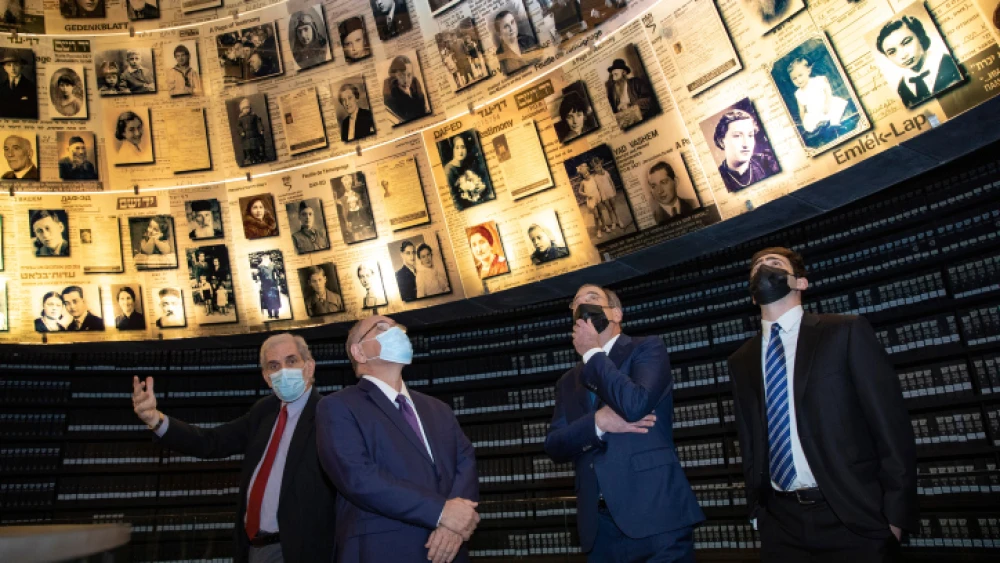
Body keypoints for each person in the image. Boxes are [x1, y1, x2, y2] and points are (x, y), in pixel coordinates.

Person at [727, 247, 917, 561]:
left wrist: (895, 517)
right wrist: (757, 511)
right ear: (751, 294)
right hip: (780, 524)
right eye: (756, 267)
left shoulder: (844, 331)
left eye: (774, 264)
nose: (763, 269)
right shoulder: (741, 360)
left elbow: (891, 427)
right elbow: (749, 440)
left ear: (801, 282)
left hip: (852, 515)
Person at [132, 333, 337, 562]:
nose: (283, 371)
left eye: (291, 361)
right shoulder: (264, 412)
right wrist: (155, 420)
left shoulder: (329, 415)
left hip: (301, 551)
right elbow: (211, 442)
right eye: (274, 365)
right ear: (267, 377)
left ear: (309, 367)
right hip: (253, 546)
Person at [545, 284, 704, 561]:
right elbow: (555, 445)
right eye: (575, 303)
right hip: (599, 529)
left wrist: (593, 353)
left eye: (592, 298)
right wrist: (597, 422)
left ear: (616, 314)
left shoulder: (647, 349)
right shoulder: (567, 381)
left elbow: (635, 404)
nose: (582, 305)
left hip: (656, 517)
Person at [316, 316, 480, 562]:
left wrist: (453, 524)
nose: (396, 332)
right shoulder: (337, 406)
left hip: (448, 549)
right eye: (382, 328)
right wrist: (440, 512)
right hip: (382, 549)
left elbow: (465, 461)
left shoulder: (438, 408)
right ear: (358, 352)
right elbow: (357, 477)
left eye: (398, 328)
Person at [875, 15, 962, 109]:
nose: (903, 55)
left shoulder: (951, 62)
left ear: (920, 37)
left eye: (906, 42)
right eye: (892, 52)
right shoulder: (902, 88)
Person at [713, 108, 780, 192]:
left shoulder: (768, 163)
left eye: (750, 135)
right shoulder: (718, 180)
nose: (746, 144)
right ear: (722, 141)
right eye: (737, 136)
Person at [786, 56, 850, 145]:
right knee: (809, 123)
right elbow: (801, 109)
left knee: (835, 108)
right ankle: (822, 127)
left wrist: (827, 103)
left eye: (800, 75)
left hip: (825, 105)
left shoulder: (818, 80)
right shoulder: (798, 93)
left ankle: (834, 124)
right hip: (814, 112)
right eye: (794, 78)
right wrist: (804, 120)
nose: (799, 80)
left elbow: (828, 91)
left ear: (808, 71)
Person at [604, 58, 658, 128]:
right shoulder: (612, 91)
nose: (614, 79)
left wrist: (629, 105)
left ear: (624, 73)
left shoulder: (636, 82)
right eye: (612, 75)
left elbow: (648, 99)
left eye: (616, 74)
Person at [383, 55, 429, 124]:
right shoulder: (392, 97)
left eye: (409, 75)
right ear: (394, 75)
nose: (406, 80)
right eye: (401, 75)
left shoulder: (416, 88)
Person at [494, 10, 537, 75]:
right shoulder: (499, 55)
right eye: (506, 26)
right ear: (499, 34)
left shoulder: (529, 40)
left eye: (512, 22)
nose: (511, 28)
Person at [576, 162, 609, 239]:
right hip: (591, 199)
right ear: (582, 176)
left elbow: (598, 186)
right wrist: (587, 194)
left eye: (587, 173)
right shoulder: (583, 182)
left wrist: (601, 194)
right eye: (584, 175)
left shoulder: (593, 177)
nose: (586, 175)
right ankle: (598, 230)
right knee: (596, 216)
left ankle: (605, 226)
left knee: (601, 213)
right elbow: (580, 191)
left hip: (597, 197)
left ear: (588, 172)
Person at [237, 98, 269, 165]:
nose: (246, 109)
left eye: (248, 107)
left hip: (255, 135)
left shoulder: (254, 115)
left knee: (256, 148)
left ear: (250, 108)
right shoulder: (241, 118)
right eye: (245, 108)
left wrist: (261, 129)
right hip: (246, 137)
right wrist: (241, 132)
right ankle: (251, 159)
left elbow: (258, 123)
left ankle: (258, 158)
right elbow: (239, 126)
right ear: (242, 109)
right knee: (249, 149)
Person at [256, 254, 281, 319]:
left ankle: (276, 314)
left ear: (268, 258)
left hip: (273, 285)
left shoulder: (273, 265)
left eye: (266, 257)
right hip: (265, 286)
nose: (265, 258)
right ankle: (270, 314)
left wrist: (277, 282)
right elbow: (258, 276)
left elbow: (278, 274)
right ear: (262, 258)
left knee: (275, 299)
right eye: (264, 257)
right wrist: (259, 284)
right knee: (268, 300)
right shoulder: (260, 266)